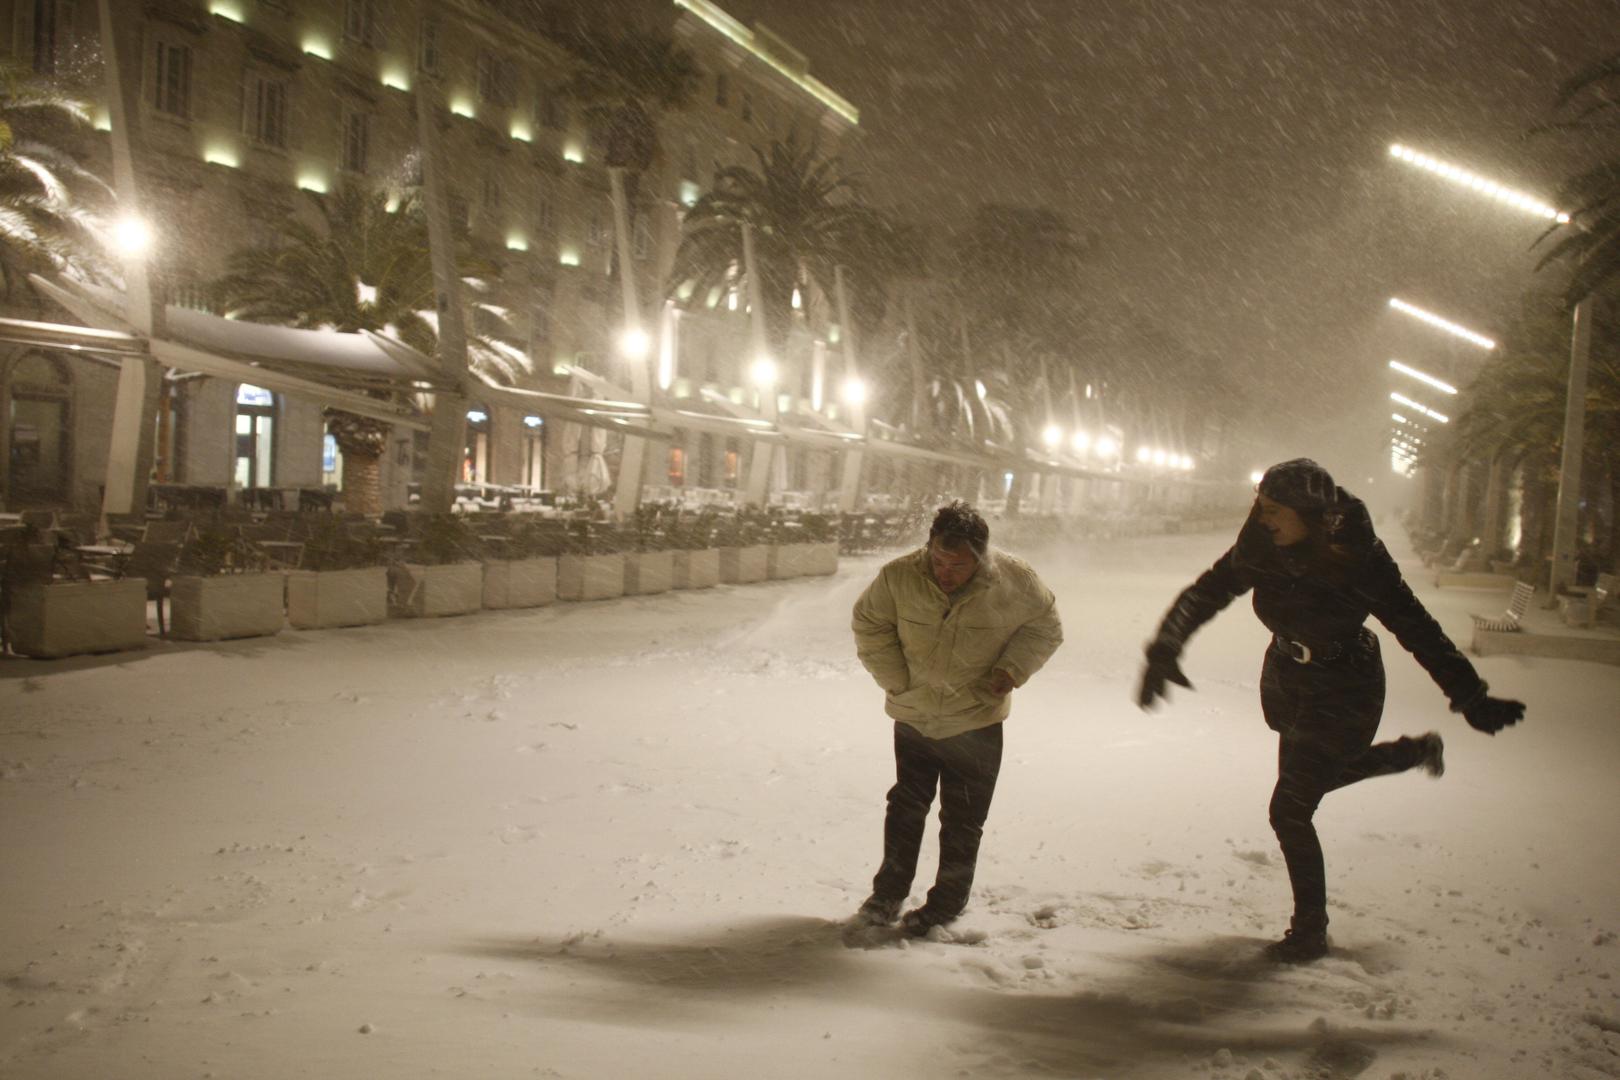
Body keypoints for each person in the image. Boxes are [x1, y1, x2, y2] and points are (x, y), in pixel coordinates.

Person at [1137, 458, 1525, 962]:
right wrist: (1166, 647)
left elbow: (1416, 626)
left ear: (1309, 514)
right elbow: (1206, 592)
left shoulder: (1359, 557)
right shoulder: (1260, 545)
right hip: (1288, 678)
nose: (1264, 518)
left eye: (1275, 510)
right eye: (1261, 507)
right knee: (1313, 784)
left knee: (1290, 809)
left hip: (1346, 685)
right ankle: (1409, 754)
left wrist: (1470, 695)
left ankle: (1309, 931)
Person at [851, 501, 1064, 935]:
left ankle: (946, 903)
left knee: (963, 819)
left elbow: (1045, 626)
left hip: (976, 721)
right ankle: (887, 894)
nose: (945, 572)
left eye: (958, 564)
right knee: (906, 807)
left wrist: (1011, 669)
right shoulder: (899, 577)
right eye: (938, 559)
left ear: (981, 557)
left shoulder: (1014, 581)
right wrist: (896, 679)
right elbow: (869, 623)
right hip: (915, 717)